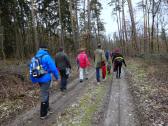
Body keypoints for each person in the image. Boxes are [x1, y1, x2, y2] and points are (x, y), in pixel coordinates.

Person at [29, 44, 60, 119]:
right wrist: (57, 77)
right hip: (46, 79)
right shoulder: (46, 57)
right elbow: (53, 68)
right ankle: (43, 114)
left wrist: (33, 80)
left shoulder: (34, 58)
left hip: (39, 79)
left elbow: (31, 70)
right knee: (44, 94)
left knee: (45, 92)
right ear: (46, 50)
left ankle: (47, 109)